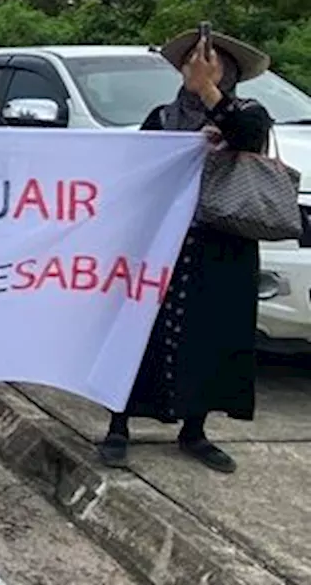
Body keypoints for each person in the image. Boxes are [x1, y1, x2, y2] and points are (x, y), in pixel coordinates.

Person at [97, 30, 273, 475]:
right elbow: (136, 170)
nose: (197, 66)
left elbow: (248, 137)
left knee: (211, 334)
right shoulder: (163, 117)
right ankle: (119, 424)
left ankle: (194, 430)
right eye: (193, 60)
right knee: (140, 330)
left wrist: (212, 93)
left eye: (208, 60)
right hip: (163, 242)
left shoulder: (247, 114)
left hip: (221, 244)